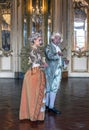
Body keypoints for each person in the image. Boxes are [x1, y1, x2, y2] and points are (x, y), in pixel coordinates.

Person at [19, 32, 48, 121]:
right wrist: (37, 65)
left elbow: (41, 61)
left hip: (39, 73)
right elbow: (25, 64)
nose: (41, 41)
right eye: (39, 39)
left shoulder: (40, 50)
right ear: (34, 40)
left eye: (41, 40)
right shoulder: (27, 50)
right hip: (31, 74)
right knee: (31, 95)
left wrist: (43, 64)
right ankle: (31, 115)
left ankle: (38, 115)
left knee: (38, 94)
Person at [45, 32, 63, 114]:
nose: (58, 40)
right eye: (56, 38)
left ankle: (51, 106)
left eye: (59, 38)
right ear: (52, 38)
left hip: (58, 70)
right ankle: (47, 105)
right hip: (50, 71)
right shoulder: (48, 46)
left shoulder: (59, 47)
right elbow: (49, 56)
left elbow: (60, 59)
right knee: (48, 88)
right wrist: (57, 54)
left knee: (54, 88)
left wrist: (64, 63)